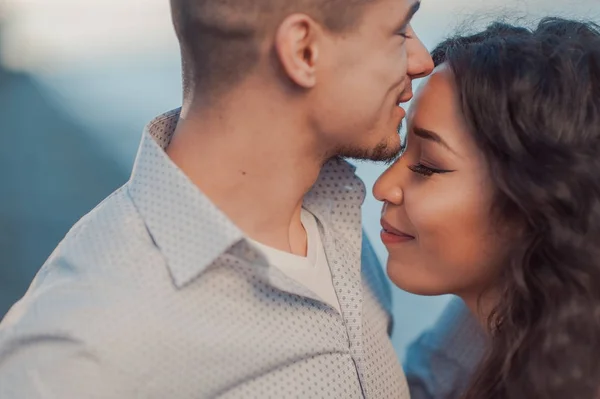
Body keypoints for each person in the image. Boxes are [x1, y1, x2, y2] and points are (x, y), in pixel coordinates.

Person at [0, 0, 482, 398]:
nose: (422, 60)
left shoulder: (334, 212)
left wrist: (519, 274)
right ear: (304, 50)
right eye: (399, 30)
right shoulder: (76, 348)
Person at [377, 17, 600, 399]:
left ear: (539, 202)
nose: (383, 187)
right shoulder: (481, 327)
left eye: (428, 165)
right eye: (402, 150)